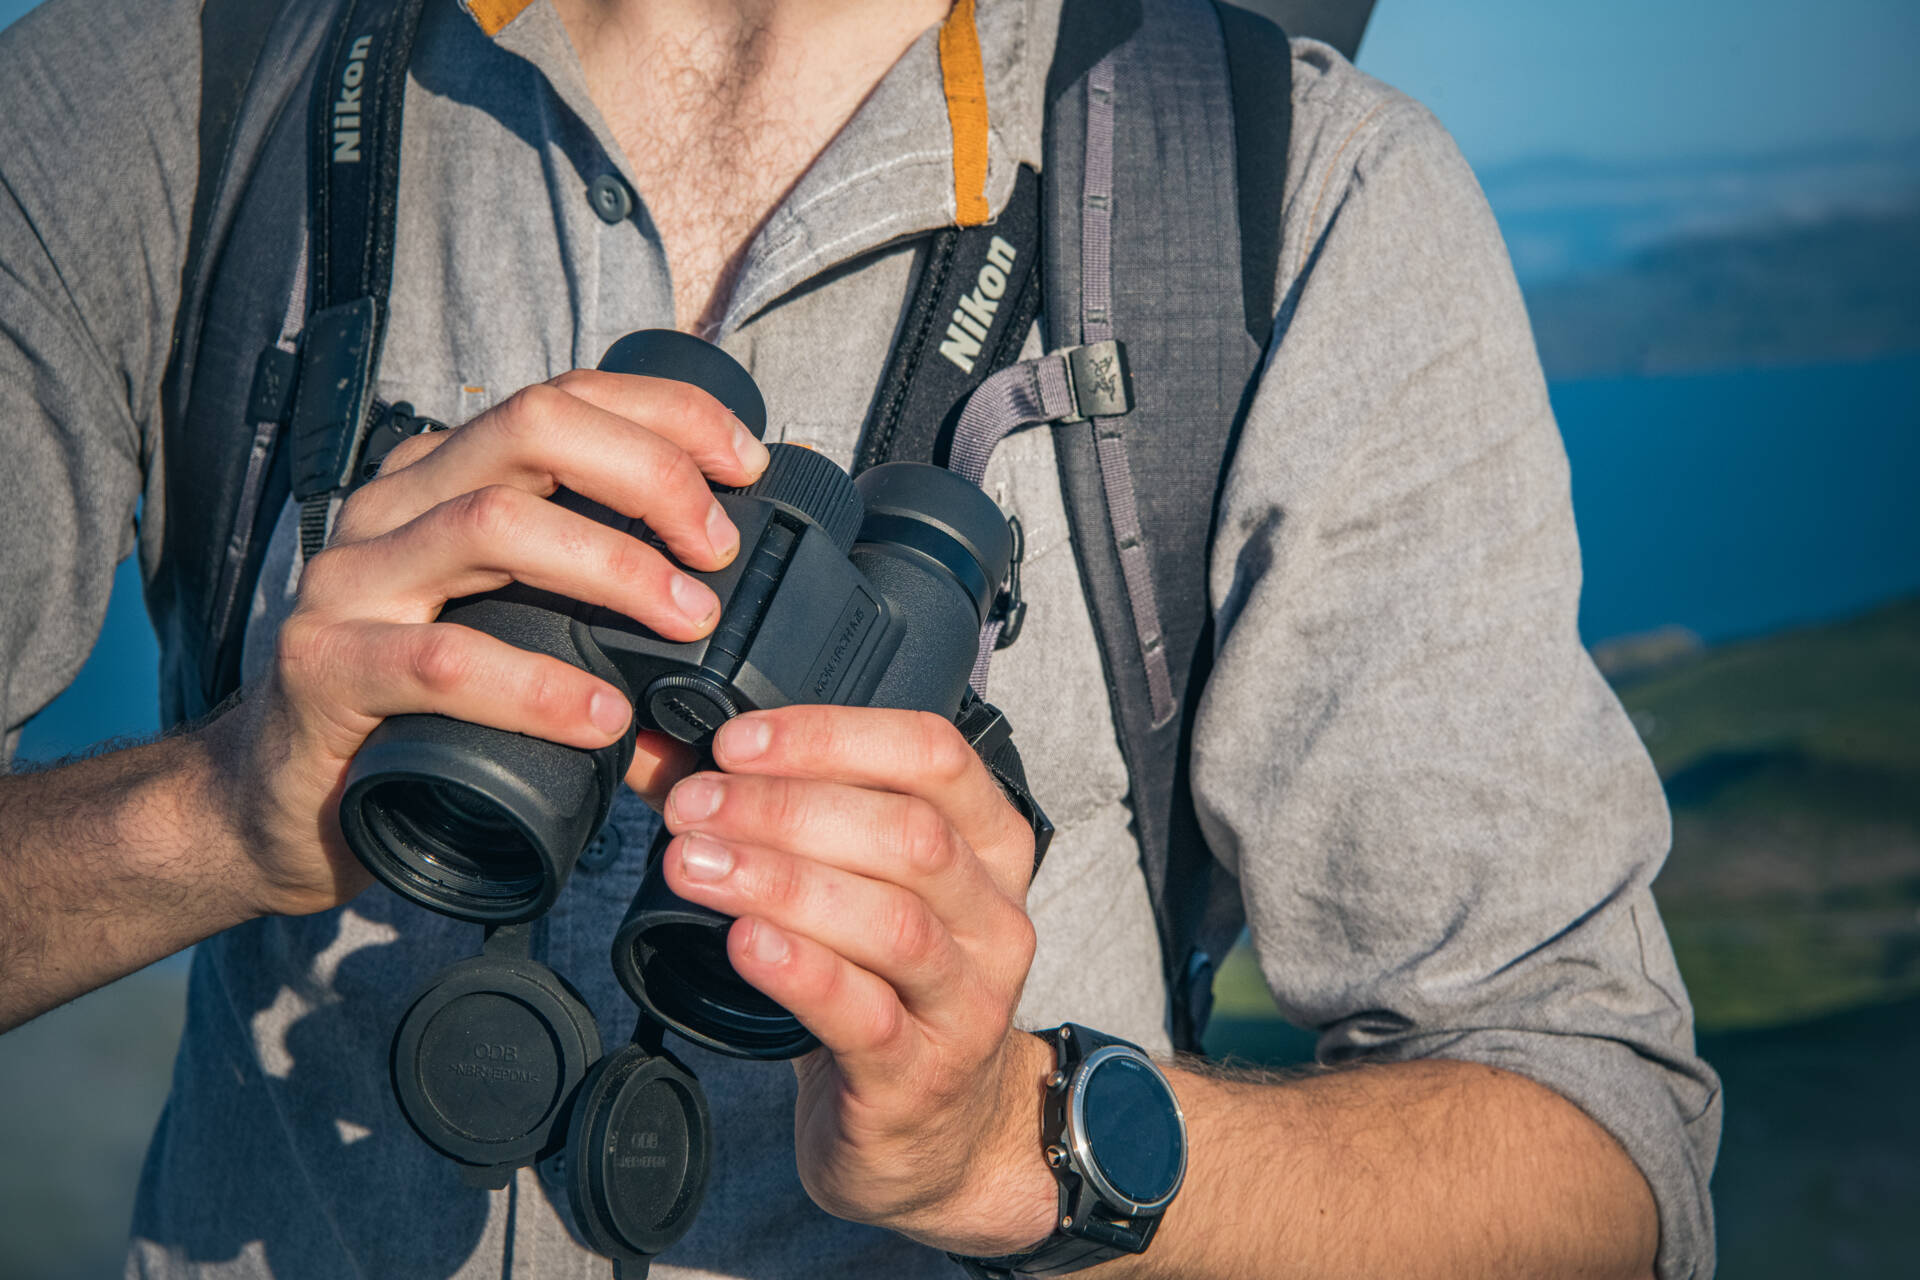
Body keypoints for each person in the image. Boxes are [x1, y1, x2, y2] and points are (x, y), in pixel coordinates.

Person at [0, 0, 1720, 1276]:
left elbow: (1598, 1162)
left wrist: (1016, 1143)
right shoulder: (182, 92)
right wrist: (217, 814)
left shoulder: (1301, 202)